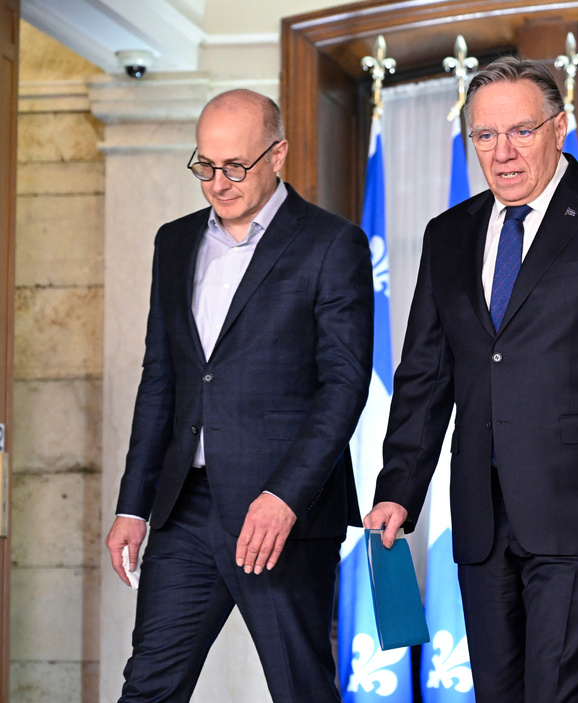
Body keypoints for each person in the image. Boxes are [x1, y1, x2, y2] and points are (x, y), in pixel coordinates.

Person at [363, 56, 578, 702]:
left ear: (560, 126)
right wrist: (398, 488)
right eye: (484, 136)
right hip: (483, 521)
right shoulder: (447, 235)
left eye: (520, 131)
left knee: (562, 690)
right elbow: (426, 376)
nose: (502, 152)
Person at [103, 88, 373, 702]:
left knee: (300, 689)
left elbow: (344, 385)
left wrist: (285, 496)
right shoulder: (173, 243)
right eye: (205, 165)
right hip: (184, 511)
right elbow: (162, 379)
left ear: (277, 155)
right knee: (147, 688)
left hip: (279, 513)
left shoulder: (332, 243)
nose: (218, 183)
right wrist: (133, 505)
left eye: (235, 167)